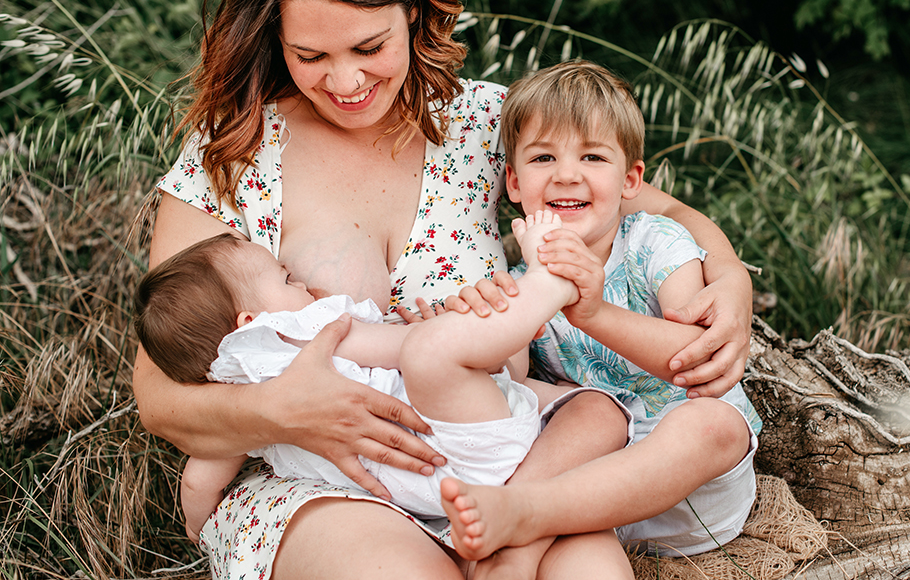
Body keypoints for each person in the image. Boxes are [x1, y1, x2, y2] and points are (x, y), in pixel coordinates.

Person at [135, 0, 756, 580]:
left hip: (501, 456)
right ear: (276, 41)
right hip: (329, 483)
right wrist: (284, 410)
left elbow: (655, 206)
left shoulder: (481, 125)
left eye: (369, 47)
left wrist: (729, 275)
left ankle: (507, 533)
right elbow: (159, 396)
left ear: (413, 12)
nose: (345, 81)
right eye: (311, 57)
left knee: (589, 571)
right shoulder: (234, 150)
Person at [438, 59, 761, 562]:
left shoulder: (656, 244)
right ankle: (517, 544)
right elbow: (512, 375)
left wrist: (593, 313)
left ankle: (526, 516)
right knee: (557, 417)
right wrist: (478, 325)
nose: (567, 175)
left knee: (712, 424)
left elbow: (692, 356)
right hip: (586, 494)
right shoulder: (523, 281)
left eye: (592, 157)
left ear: (631, 179)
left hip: (687, 490)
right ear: (515, 184)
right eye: (543, 158)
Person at [134, 215, 627, 543]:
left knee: (443, 355)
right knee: (432, 350)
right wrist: (444, 330)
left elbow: (199, 483)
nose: (302, 283)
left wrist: (199, 535)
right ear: (250, 323)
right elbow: (401, 349)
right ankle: (548, 281)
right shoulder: (304, 332)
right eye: (285, 280)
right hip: (463, 442)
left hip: (427, 496)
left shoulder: (231, 401)